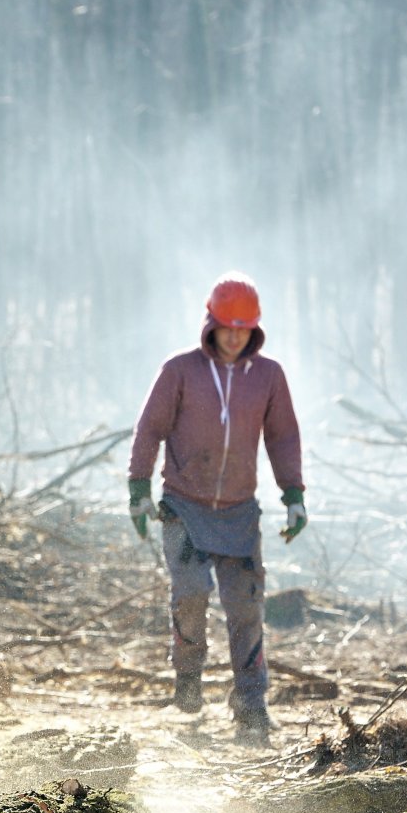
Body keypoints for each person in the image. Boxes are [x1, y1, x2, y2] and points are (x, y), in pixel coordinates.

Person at [127, 272, 305, 739]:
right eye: (226, 325)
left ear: (255, 329)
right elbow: (149, 429)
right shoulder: (180, 371)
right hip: (183, 506)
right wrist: (138, 490)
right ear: (210, 323)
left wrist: (294, 496)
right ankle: (187, 678)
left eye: (243, 327)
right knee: (190, 593)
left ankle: (250, 702)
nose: (233, 335)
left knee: (246, 608)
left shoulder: (269, 376)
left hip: (240, 512)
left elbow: (283, 435)